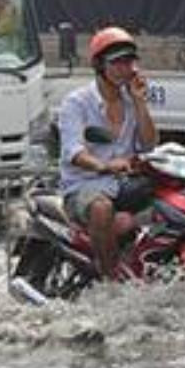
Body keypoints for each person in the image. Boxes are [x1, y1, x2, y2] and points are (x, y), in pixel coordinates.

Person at [57, 26, 159, 280]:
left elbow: (148, 145)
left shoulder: (131, 101)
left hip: (124, 185)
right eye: (119, 62)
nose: (127, 68)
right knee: (101, 209)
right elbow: (74, 152)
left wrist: (140, 102)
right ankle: (109, 278)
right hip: (84, 186)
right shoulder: (76, 103)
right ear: (100, 65)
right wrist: (105, 165)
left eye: (130, 61)